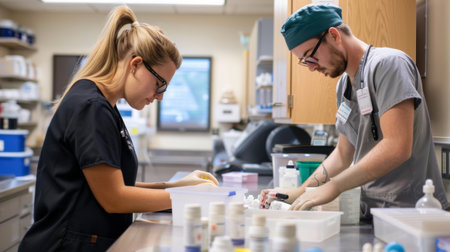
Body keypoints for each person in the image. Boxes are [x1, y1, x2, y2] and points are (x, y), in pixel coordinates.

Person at [19, 5, 218, 252]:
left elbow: (119, 185)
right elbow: (115, 198)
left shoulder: (104, 106)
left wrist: (178, 186)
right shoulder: (91, 107)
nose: (160, 97)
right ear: (135, 64)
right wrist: (192, 197)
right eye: (159, 84)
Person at [261, 4, 449, 215]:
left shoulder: (389, 65)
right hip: (371, 210)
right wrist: (301, 191)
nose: (312, 67)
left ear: (333, 35)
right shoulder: (344, 86)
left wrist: (333, 186)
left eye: (310, 56)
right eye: (305, 62)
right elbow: (343, 154)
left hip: (411, 212)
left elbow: (397, 146)